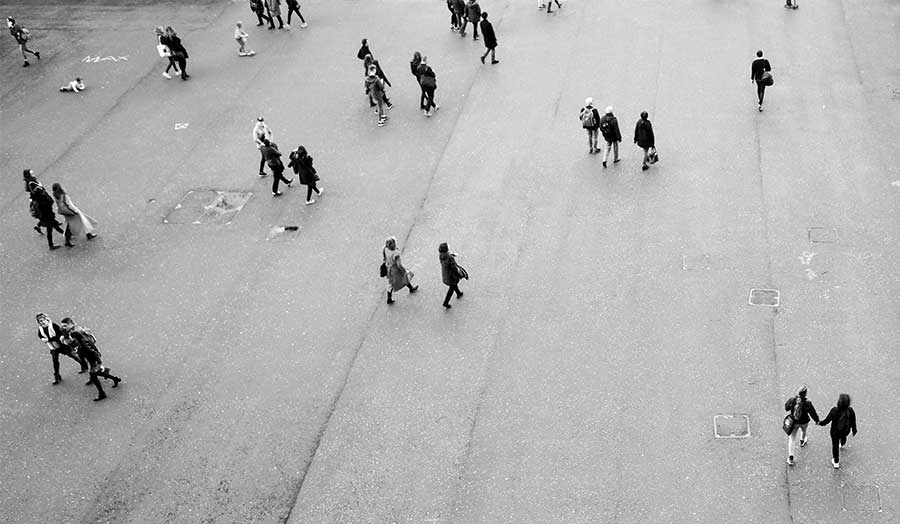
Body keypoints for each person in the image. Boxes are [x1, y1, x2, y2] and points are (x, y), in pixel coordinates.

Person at [60, 318, 121, 402]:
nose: (63, 327)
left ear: (71, 324)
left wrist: (99, 362)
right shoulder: (72, 332)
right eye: (62, 326)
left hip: (91, 356)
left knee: (94, 374)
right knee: (95, 373)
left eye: (65, 326)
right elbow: (72, 344)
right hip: (85, 354)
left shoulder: (78, 335)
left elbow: (91, 348)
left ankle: (102, 393)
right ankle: (114, 379)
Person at [37, 313, 88, 385]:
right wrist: (43, 339)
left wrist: (48, 339)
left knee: (72, 355)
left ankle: (84, 365)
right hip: (53, 347)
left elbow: (59, 335)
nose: (42, 322)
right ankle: (57, 376)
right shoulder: (41, 329)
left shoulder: (53, 325)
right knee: (55, 361)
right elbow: (40, 336)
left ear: (46, 319)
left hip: (62, 345)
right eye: (40, 321)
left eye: (43, 320)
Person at [818, 394, 858, 469]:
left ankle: (836, 462)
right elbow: (853, 421)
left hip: (835, 432)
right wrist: (854, 429)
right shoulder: (850, 410)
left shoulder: (834, 410)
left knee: (835, 446)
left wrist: (820, 423)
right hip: (845, 430)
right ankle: (842, 444)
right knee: (843, 436)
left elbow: (826, 421)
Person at [784, 386, 820, 466]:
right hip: (804, 422)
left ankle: (791, 458)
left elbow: (786, 408)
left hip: (794, 422)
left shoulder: (792, 400)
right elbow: (813, 413)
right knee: (804, 431)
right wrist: (816, 420)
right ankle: (802, 441)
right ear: (805, 394)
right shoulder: (808, 403)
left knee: (792, 439)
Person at [383, 236, 418, 304]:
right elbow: (399, 265)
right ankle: (411, 288)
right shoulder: (396, 253)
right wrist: (403, 270)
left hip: (389, 268)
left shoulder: (386, 249)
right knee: (405, 276)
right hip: (396, 269)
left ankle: (389, 298)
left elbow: (385, 258)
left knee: (390, 283)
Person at [30, 182, 64, 250]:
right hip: (48, 218)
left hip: (43, 218)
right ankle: (65, 236)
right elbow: (50, 203)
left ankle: (65, 235)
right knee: (52, 229)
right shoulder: (43, 201)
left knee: (54, 227)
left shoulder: (36, 200)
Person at [439, 243, 464, 309]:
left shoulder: (441, 255)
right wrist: (459, 274)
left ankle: (458, 293)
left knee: (453, 285)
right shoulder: (450, 258)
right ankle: (446, 302)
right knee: (452, 287)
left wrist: (452, 255)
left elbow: (446, 259)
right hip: (451, 276)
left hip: (446, 275)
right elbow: (454, 268)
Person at [24, 169, 45, 234]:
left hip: (38, 199)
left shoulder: (31, 181)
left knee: (45, 214)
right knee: (45, 214)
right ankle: (39, 225)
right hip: (39, 200)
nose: (34, 174)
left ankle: (38, 226)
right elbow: (36, 191)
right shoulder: (31, 183)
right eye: (32, 173)